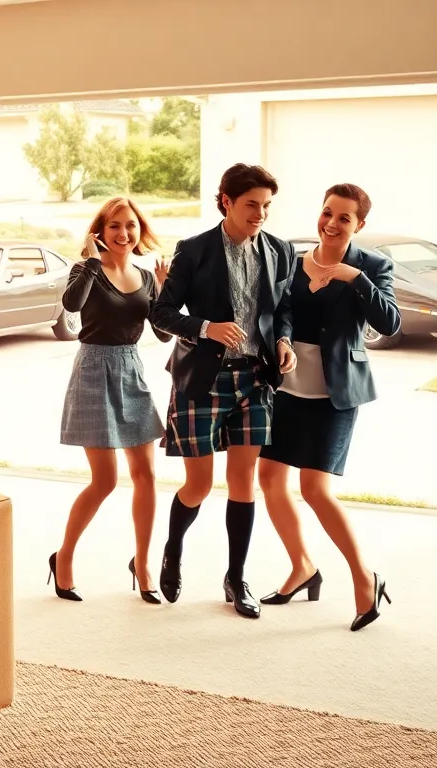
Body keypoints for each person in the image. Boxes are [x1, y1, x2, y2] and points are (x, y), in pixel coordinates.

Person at [148, 163, 298, 619]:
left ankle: (236, 578)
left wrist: (283, 341)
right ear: (227, 201)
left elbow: (283, 307)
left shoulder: (279, 251)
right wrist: (206, 327)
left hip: (256, 379)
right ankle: (173, 547)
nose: (260, 214)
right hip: (203, 380)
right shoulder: (193, 250)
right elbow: (161, 312)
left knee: (242, 483)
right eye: (252, 204)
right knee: (198, 484)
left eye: (267, 206)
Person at [256, 184, 399, 631]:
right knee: (270, 481)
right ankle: (301, 567)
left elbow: (389, 322)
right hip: (286, 387)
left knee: (316, 490)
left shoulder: (372, 266)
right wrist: (281, 339)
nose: (331, 223)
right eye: (327, 213)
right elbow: (280, 312)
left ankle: (364, 577)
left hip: (335, 394)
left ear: (359, 225)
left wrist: (355, 279)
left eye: (343, 218)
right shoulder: (293, 259)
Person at [49, 197, 172, 604]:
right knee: (104, 481)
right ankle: (63, 558)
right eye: (115, 226)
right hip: (92, 371)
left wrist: (166, 291)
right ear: (100, 232)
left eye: (130, 226)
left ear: (139, 231)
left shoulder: (145, 276)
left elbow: (164, 334)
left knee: (146, 476)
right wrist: (87, 259)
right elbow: (72, 305)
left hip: (131, 369)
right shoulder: (86, 270)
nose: (124, 234)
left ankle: (143, 563)